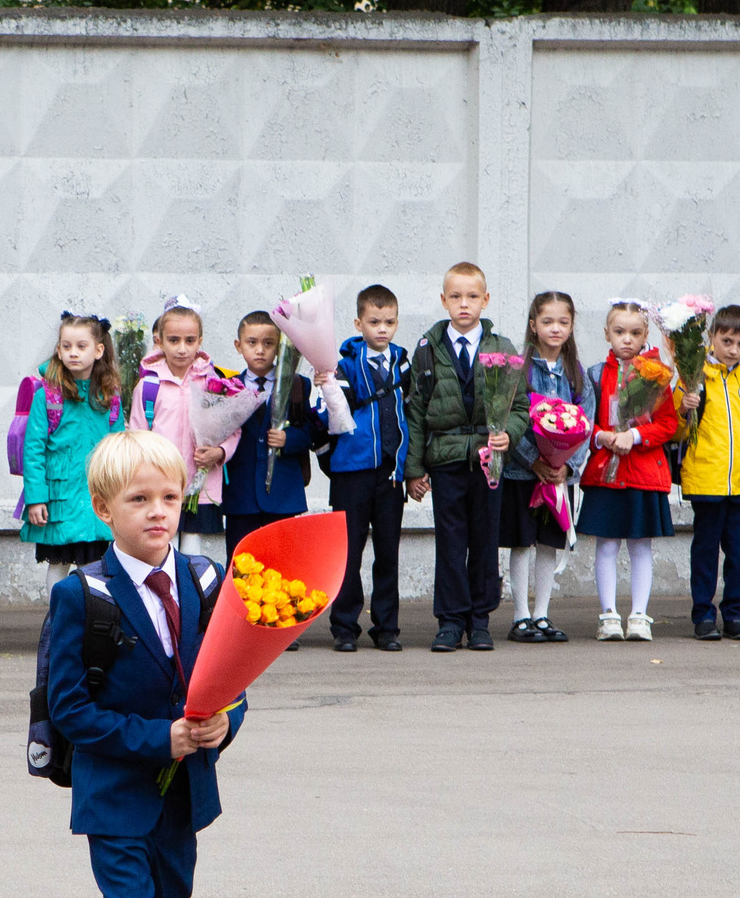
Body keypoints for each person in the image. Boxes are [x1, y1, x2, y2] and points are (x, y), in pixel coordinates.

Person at [43, 429, 244, 898]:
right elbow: (70, 710)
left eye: (169, 497)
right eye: (139, 500)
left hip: (184, 794)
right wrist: (158, 738)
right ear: (104, 509)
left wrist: (223, 723)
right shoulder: (82, 595)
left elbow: (234, 675)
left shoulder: (206, 581)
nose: (158, 512)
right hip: (115, 796)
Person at [404, 261, 527, 653]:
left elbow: (520, 406)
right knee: (451, 542)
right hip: (446, 459)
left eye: (472, 296)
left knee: (485, 540)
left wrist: (509, 433)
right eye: (455, 296)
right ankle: (450, 621)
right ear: (443, 300)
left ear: (485, 300)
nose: (464, 304)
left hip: (489, 460)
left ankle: (479, 621)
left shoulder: (502, 349)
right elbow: (416, 412)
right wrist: (414, 468)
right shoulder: (427, 350)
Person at [579, 301, 679, 642]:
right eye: (619, 331)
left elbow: (667, 424)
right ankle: (608, 615)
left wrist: (634, 436)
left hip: (643, 474)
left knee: (640, 545)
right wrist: (602, 437)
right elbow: (582, 421)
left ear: (645, 334)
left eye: (635, 333)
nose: (627, 339)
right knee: (606, 545)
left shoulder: (657, 375)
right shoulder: (595, 375)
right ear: (606, 333)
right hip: (605, 473)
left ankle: (639, 615)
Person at [323, 284, 410, 652]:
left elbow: (411, 415)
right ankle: (344, 627)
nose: (382, 329)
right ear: (359, 323)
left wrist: (410, 468)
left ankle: (387, 627)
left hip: (390, 473)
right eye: (374, 322)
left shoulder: (403, 363)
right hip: (352, 471)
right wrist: (327, 385)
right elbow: (331, 417)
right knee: (348, 552)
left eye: (389, 322)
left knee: (388, 552)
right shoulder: (343, 364)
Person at [221, 312, 316, 648]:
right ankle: (244, 623)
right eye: (252, 343)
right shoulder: (227, 387)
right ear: (239, 346)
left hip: (283, 491)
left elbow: (313, 431)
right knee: (241, 559)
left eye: (268, 343)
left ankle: (282, 622)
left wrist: (290, 440)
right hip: (241, 492)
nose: (260, 350)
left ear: (279, 348)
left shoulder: (297, 386)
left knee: (282, 560)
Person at [677, 304, 740, 642]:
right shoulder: (694, 375)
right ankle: (703, 614)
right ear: (712, 337)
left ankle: (733, 614)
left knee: (739, 553)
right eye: (727, 341)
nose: (733, 350)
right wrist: (682, 407)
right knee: (705, 552)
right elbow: (676, 429)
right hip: (707, 479)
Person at [502, 290, 589, 644]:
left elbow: (586, 423)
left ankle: (542, 614)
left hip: (558, 476)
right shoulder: (519, 369)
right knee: (523, 542)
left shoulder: (576, 373)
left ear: (571, 326)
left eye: (563, 322)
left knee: (549, 543)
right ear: (533, 325)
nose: (555, 328)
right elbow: (509, 419)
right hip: (524, 473)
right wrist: (533, 460)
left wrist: (568, 467)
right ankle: (520, 615)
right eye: (548, 321)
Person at [128, 296, 237, 559]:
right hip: (159, 483)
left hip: (199, 483)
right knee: (164, 544)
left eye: (190, 341)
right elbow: (136, 436)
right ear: (159, 341)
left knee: (192, 549)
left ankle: (190, 587)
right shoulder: (148, 385)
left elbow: (232, 428)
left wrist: (220, 452)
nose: (182, 349)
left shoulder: (213, 382)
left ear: (200, 341)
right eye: (174, 340)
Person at [19, 312, 124, 587]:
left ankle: (89, 612)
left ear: (98, 350)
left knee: (95, 566)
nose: (73, 353)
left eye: (81, 346)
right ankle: (57, 612)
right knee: (59, 562)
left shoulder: (109, 396)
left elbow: (120, 449)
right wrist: (36, 499)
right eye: (66, 346)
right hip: (59, 499)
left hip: (97, 496)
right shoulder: (47, 395)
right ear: (58, 350)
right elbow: (33, 450)